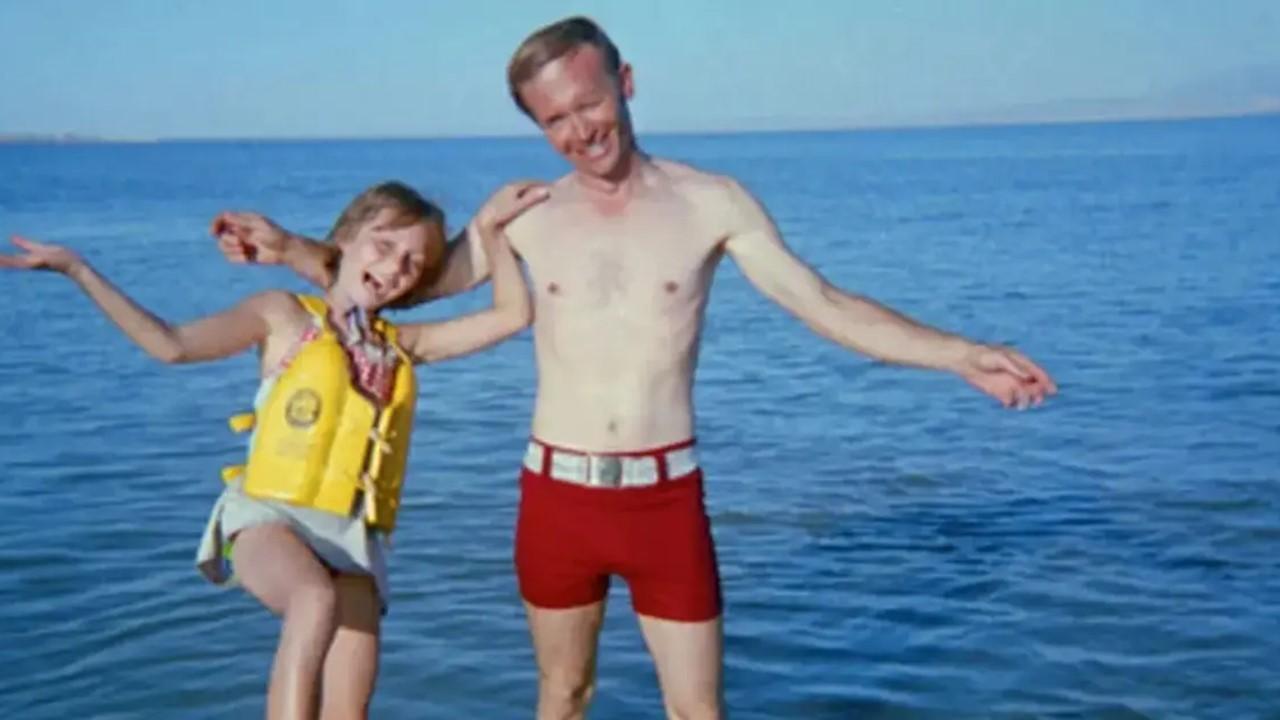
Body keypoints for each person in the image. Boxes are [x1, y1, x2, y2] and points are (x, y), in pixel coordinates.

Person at [211, 16, 1058, 720]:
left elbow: (824, 304)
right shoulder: (530, 218)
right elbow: (391, 279)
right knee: (564, 694)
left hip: (665, 499)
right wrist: (287, 247)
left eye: (590, 103)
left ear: (626, 81)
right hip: (556, 497)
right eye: (555, 121)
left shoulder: (711, 203)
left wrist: (960, 354)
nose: (580, 132)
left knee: (698, 712)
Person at [2, 179, 545, 720]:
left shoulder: (403, 347)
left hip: (352, 539)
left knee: (349, 707)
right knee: (313, 601)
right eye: (384, 245)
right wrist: (79, 271)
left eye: (413, 263)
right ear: (346, 239)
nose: (395, 268)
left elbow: (513, 316)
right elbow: (171, 346)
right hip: (268, 518)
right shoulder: (283, 315)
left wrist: (493, 231)